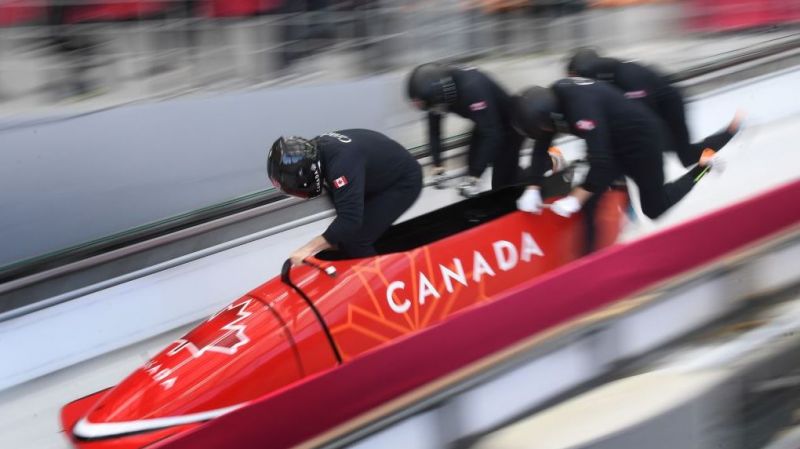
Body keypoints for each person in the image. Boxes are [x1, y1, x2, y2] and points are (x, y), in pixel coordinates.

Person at [511, 79, 728, 221]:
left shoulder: (580, 109)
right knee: (590, 199)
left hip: (642, 141)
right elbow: (541, 145)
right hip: (612, 140)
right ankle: (591, 257)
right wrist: (533, 186)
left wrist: (576, 198)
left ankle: (704, 166)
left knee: (654, 208)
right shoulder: (551, 105)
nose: (544, 131)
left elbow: (601, 160)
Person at [566, 48, 742, 168]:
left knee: (685, 157)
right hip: (647, 101)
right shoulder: (602, 75)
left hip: (668, 106)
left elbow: (641, 120)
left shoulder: (628, 76)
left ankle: (731, 130)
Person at [267, 129, 422, 264]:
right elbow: (342, 210)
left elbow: (349, 220)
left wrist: (307, 248)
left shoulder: (341, 164)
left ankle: (382, 286)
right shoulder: (315, 152)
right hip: (376, 176)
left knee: (356, 239)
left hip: (403, 181)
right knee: (344, 238)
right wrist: (332, 240)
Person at [406, 62, 524, 197]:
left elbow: (493, 134)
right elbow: (434, 131)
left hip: (510, 125)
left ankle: (534, 177)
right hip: (486, 121)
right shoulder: (436, 93)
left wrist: (475, 176)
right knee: (472, 165)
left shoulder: (471, 89)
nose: (434, 110)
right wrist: (437, 166)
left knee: (502, 182)